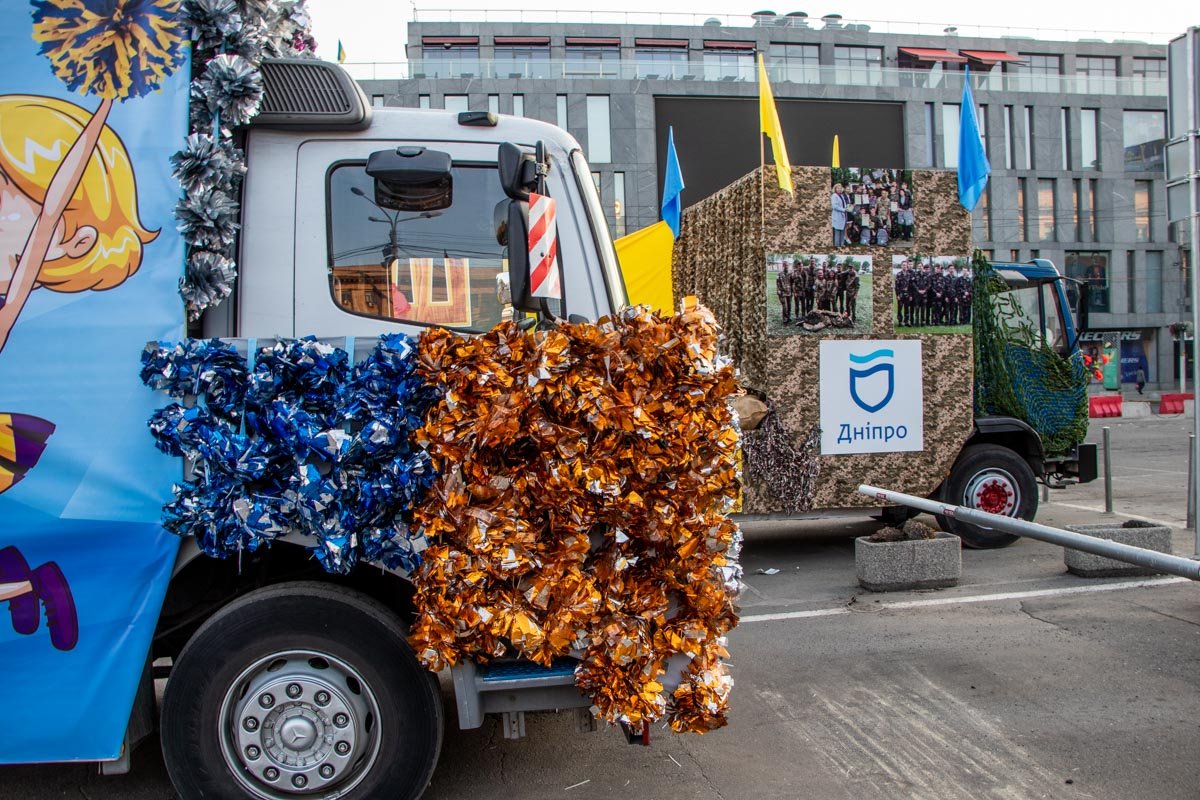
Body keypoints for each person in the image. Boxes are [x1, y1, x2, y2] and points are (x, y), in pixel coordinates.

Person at [894, 260, 912, 327]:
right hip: (900, 295)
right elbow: (896, 286)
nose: (904, 266)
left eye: (905, 265)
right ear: (901, 266)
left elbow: (911, 286)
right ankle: (900, 321)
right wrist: (897, 295)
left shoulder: (909, 275)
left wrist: (910, 295)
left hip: (907, 295)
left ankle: (906, 321)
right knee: (900, 309)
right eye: (903, 265)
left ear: (907, 266)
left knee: (907, 309)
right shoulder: (898, 274)